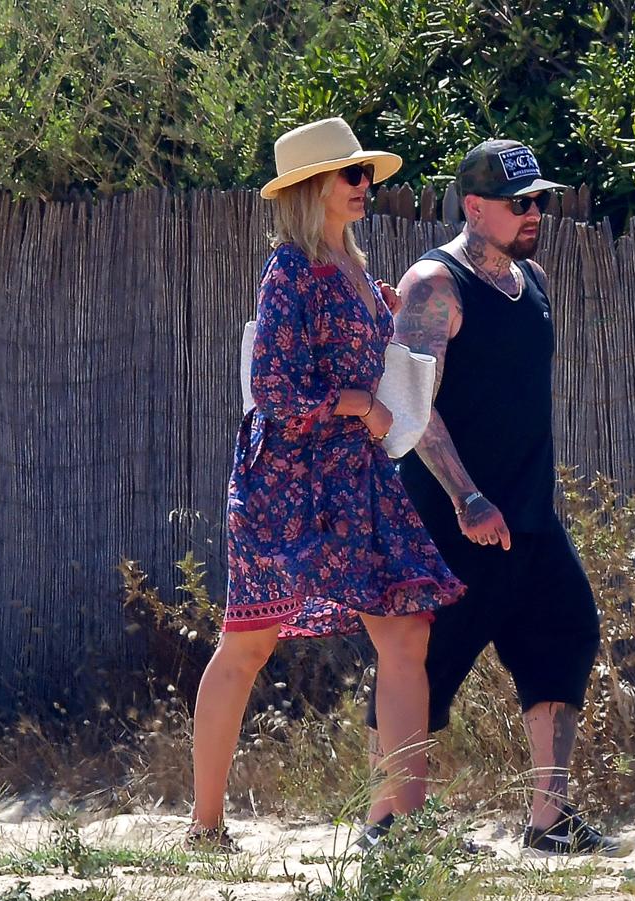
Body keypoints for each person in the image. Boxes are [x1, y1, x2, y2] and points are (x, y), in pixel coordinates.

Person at [187, 118, 464, 851]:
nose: (364, 184)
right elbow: (272, 385)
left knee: (407, 628)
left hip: (356, 474)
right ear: (313, 188)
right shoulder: (290, 269)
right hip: (287, 481)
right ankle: (205, 825)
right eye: (350, 175)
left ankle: (397, 826)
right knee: (248, 643)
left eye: (366, 173)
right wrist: (364, 405)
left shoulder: (356, 271)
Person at [363, 139, 631, 856]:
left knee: (567, 634)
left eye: (539, 199)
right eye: (519, 202)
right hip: (451, 518)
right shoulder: (434, 284)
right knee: (424, 663)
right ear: (473, 206)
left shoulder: (534, 279)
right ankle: (386, 824)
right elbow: (410, 403)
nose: (534, 212)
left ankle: (548, 819)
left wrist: (510, 501)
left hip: (529, 516)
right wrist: (467, 496)